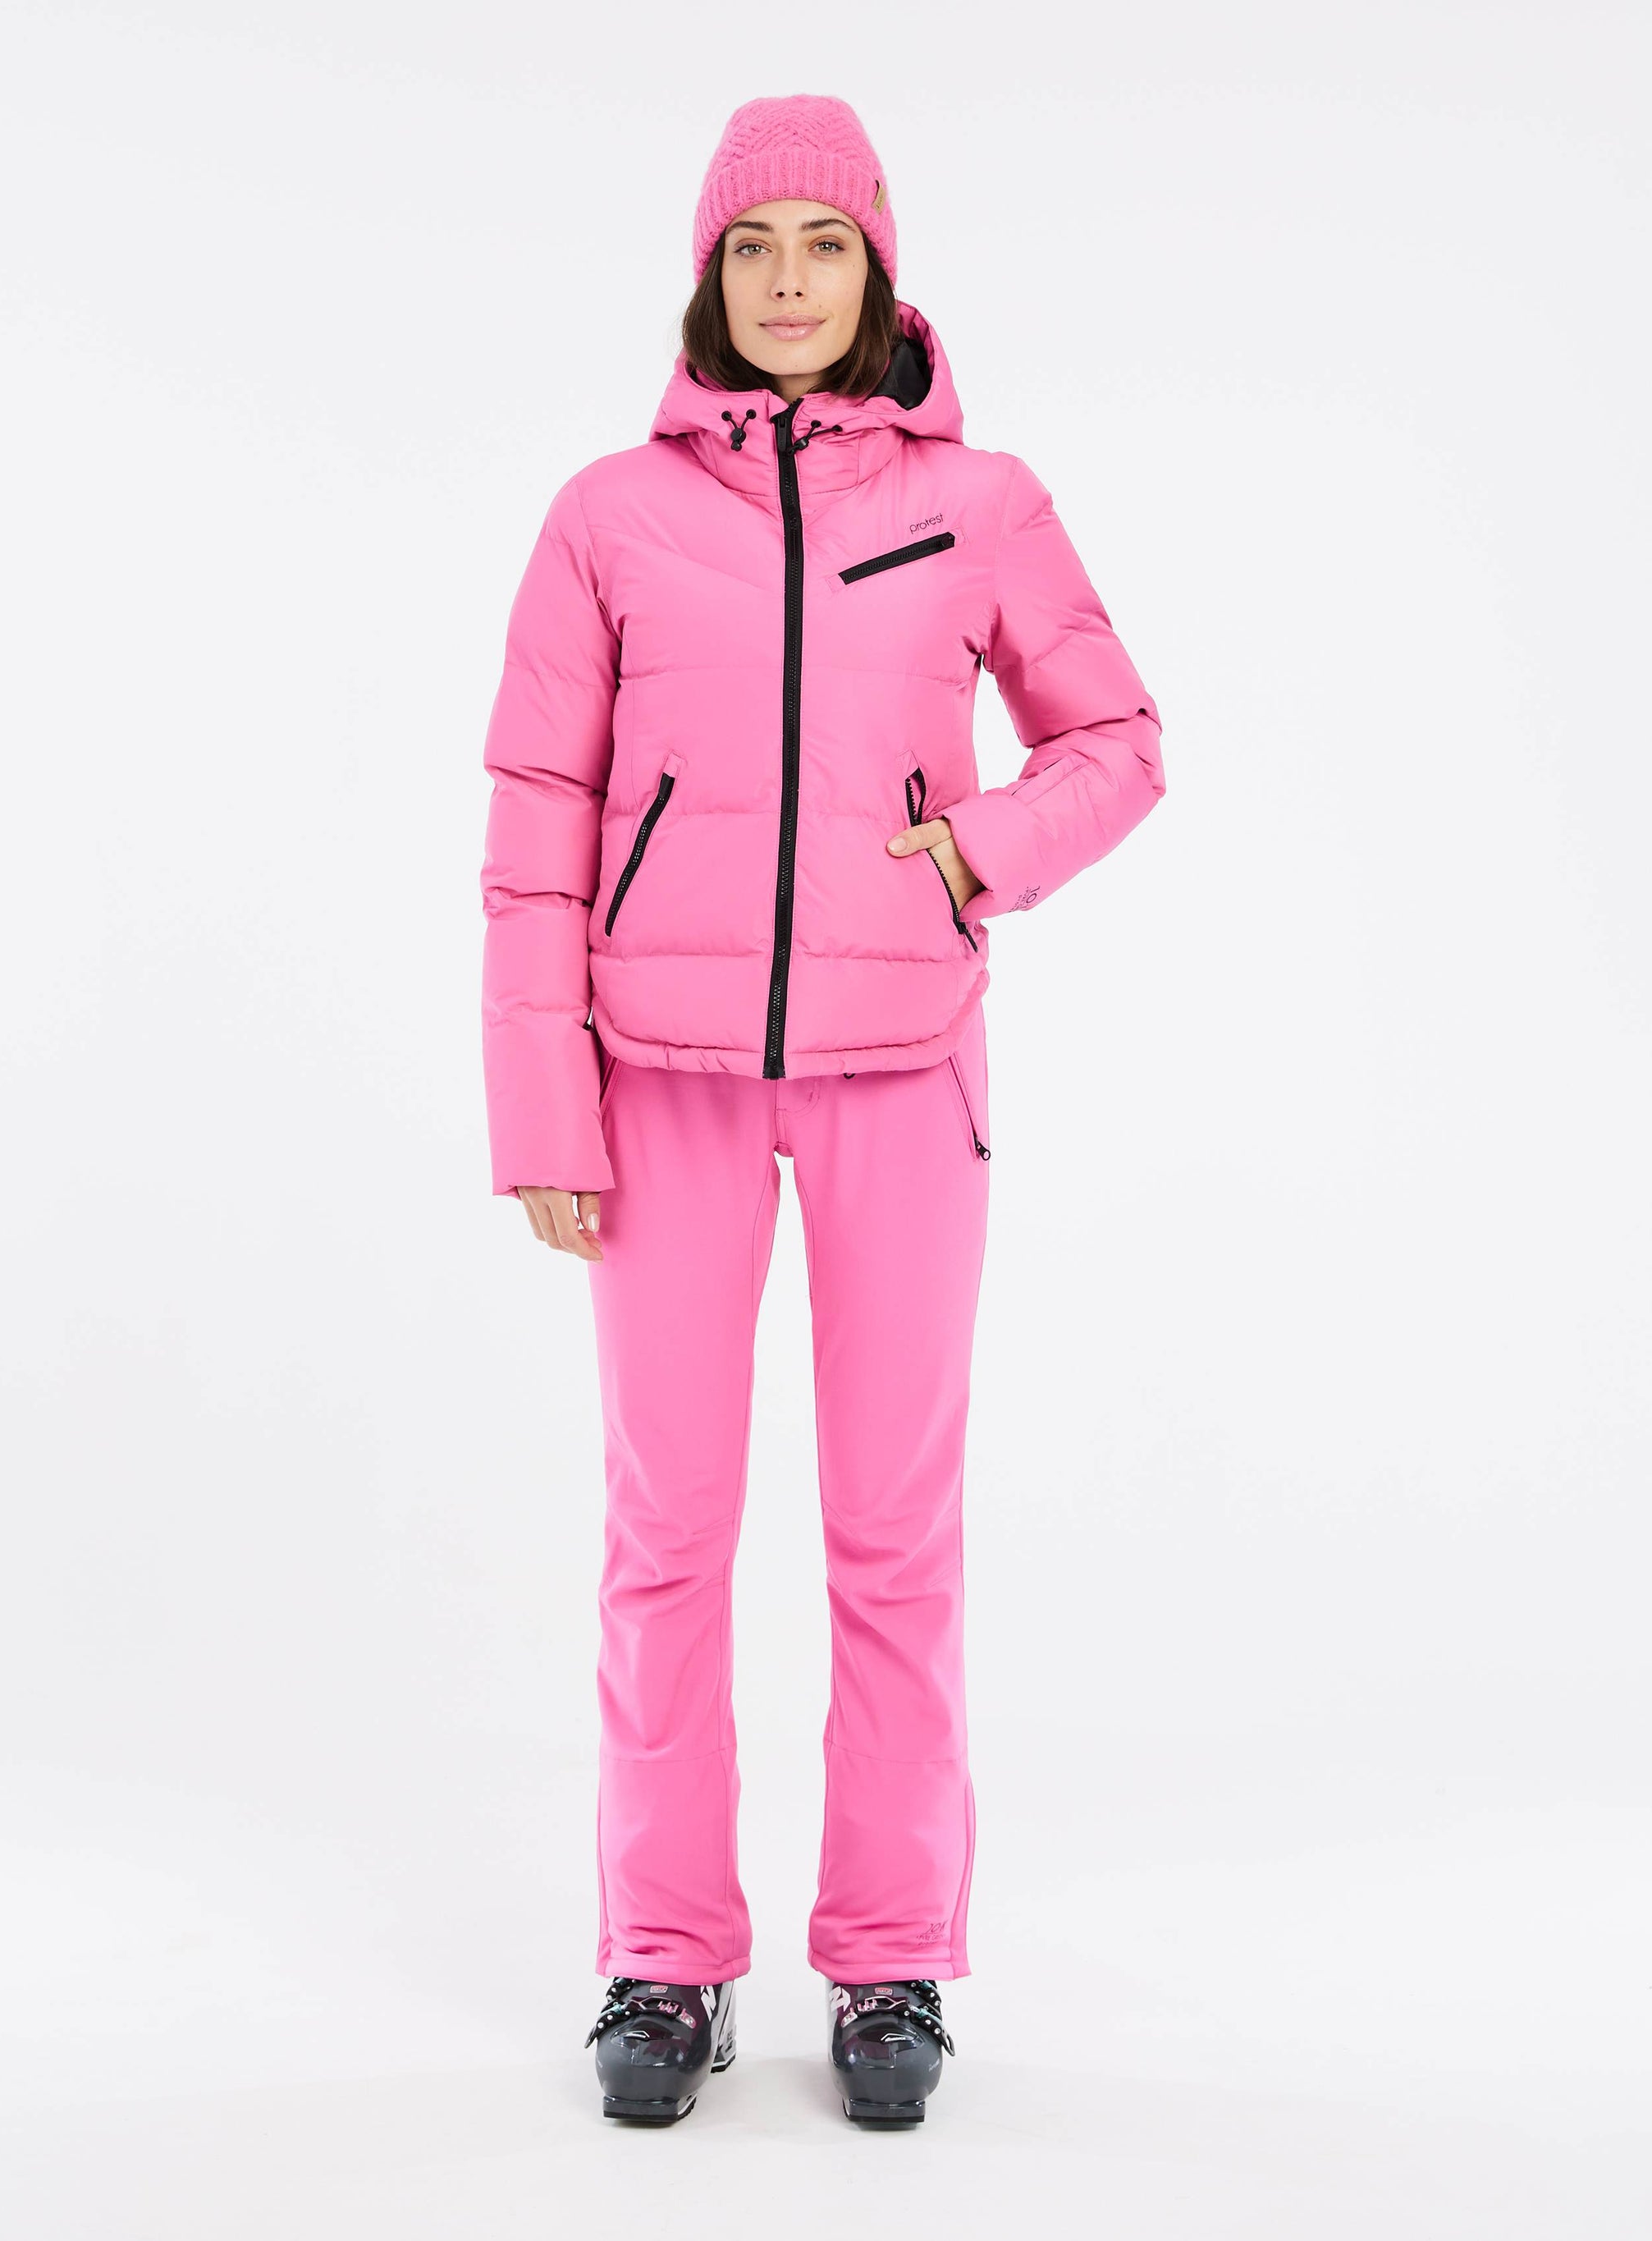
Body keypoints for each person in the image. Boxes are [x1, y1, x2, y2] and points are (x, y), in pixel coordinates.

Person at [478, 93, 1165, 2128]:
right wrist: (542, 1106)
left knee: (892, 1538)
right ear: (711, 275)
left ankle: (887, 1967)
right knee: (665, 1535)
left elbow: (1117, 742)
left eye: (825, 243)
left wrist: (976, 854)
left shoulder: (985, 502)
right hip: (657, 1082)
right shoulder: (607, 515)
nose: (789, 281)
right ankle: (665, 1961)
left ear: (879, 270)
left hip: (903, 1075)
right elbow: (536, 819)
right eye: (754, 246)